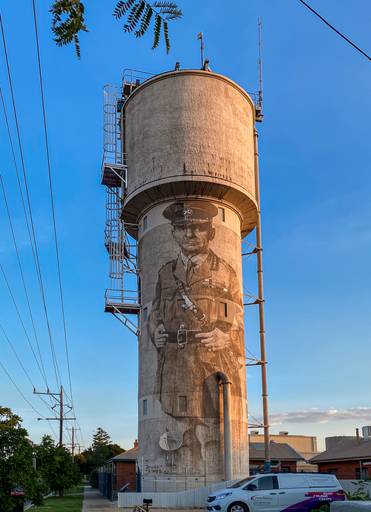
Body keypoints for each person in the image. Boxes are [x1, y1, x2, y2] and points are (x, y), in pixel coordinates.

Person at [148, 200, 245, 473]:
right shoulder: (165, 272)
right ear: (174, 233)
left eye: (198, 228)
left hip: (210, 363)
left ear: (210, 232)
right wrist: (155, 329)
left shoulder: (226, 271)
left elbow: (237, 313)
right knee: (180, 430)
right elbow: (155, 310)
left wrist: (226, 335)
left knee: (212, 432)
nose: (190, 234)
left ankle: (214, 480)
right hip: (175, 366)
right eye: (182, 228)